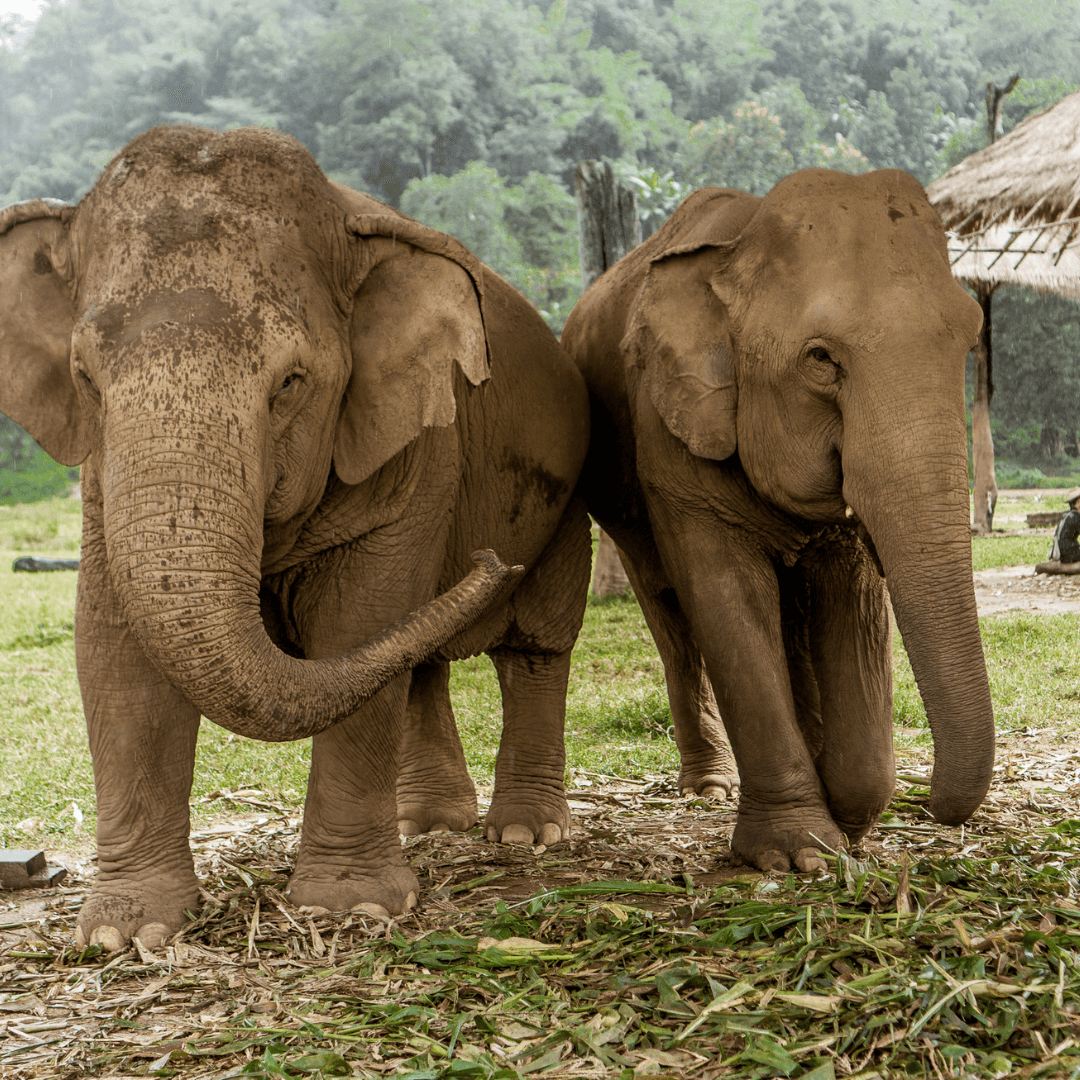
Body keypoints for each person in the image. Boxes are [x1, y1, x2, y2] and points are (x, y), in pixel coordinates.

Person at [1050, 487, 1080, 564]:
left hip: (1061, 553)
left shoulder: (1067, 514)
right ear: (1078, 501)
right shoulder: (1076, 516)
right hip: (1068, 554)